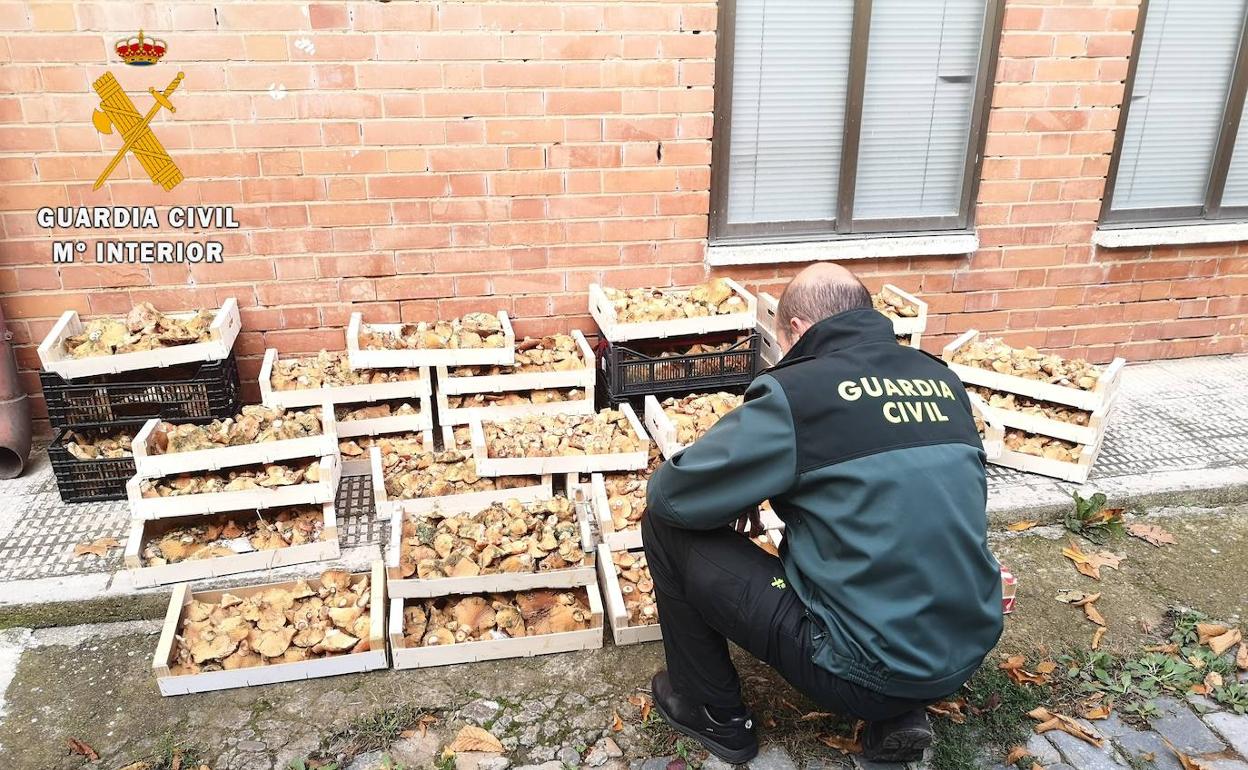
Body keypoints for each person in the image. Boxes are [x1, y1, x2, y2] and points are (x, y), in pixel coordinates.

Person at [641, 262, 1003, 764]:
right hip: (964, 649)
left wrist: (741, 490)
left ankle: (713, 713)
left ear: (796, 329)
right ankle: (899, 709)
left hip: (862, 668)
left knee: (662, 526)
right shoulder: (940, 378)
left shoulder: (800, 391)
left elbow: (672, 494)